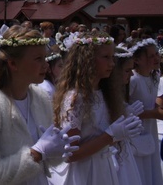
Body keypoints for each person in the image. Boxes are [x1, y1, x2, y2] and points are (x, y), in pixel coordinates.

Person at [0, 26, 78, 184]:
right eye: (38, 59)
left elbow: (48, 160)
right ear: (13, 64)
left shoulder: (41, 97)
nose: (46, 65)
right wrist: (36, 154)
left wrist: (58, 149)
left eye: (45, 57)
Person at [51, 32, 143, 184]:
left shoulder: (105, 93)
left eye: (112, 57)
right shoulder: (76, 98)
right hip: (85, 172)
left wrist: (123, 129)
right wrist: (110, 135)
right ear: (87, 60)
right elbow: (70, 154)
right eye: (106, 57)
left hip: (104, 168)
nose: (112, 64)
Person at [128, 38, 163, 185]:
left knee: (152, 163)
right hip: (136, 129)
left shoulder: (155, 76)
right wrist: (152, 114)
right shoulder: (133, 80)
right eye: (151, 56)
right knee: (140, 166)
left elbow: (154, 99)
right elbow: (124, 109)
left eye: (157, 54)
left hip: (151, 128)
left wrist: (156, 108)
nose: (156, 58)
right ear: (137, 60)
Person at [112, 46, 144, 185]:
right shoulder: (106, 95)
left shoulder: (119, 91)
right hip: (112, 154)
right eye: (127, 70)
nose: (131, 74)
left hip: (124, 151)